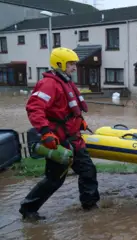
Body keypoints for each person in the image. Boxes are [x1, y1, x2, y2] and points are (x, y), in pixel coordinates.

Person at [19, 47, 100, 221]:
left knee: (88, 171)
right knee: (55, 179)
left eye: (75, 64)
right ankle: (28, 208)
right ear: (60, 63)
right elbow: (35, 108)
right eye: (71, 63)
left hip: (74, 138)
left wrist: (80, 120)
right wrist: (46, 132)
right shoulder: (49, 84)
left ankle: (90, 207)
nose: (74, 67)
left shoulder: (66, 81)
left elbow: (68, 108)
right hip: (59, 140)